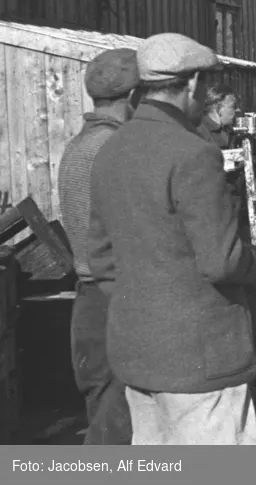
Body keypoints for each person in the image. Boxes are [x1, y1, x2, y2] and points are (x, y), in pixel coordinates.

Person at [89, 33, 256, 445]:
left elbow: (100, 260)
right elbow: (221, 260)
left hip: (137, 352)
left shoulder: (110, 150)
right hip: (201, 356)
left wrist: (145, 309)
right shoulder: (194, 153)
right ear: (192, 84)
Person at [59, 48, 139, 445]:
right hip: (118, 297)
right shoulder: (116, 149)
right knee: (118, 422)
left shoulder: (77, 147)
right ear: (136, 97)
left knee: (104, 410)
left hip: (89, 298)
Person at [197, 84, 240, 148]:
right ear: (218, 108)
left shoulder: (229, 131)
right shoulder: (200, 132)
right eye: (233, 106)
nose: (238, 110)